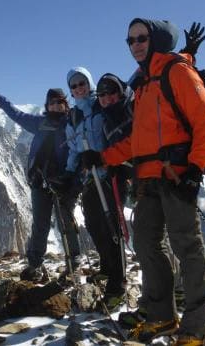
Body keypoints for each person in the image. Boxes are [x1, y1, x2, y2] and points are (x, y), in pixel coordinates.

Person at [81, 19, 205, 345]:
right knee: (145, 243)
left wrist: (195, 170)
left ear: (155, 39)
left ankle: (196, 329)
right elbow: (137, 143)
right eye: (130, 40)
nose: (135, 45)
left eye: (141, 38)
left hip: (177, 176)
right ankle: (162, 316)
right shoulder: (144, 84)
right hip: (149, 180)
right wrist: (104, 158)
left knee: (188, 248)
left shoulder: (177, 72)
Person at [0, 88, 80, 282]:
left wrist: (74, 182)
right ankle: (34, 264)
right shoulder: (39, 123)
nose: (56, 106)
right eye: (52, 103)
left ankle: (73, 264)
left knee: (66, 223)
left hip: (65, 184)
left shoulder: (72, 124)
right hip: (40, 183)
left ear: (66, 105)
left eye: (59, 102)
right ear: (47, 105)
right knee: (40, 225)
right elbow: (16, 114)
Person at [60, 67, 125, 307]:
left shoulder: (103, 104)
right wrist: (69, 173)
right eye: (74, 85)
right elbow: (74, 149)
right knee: (93, 223)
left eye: (82, 83)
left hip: (111, 174)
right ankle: (107, 267)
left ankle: (118, 284)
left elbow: (117, 136)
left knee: (112, 229)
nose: (79, 88)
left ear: (89, 83)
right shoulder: (73, 117)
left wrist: (106, 158)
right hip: (90, 177)